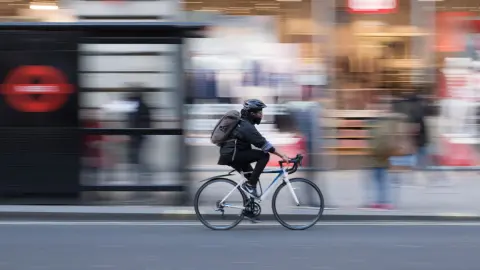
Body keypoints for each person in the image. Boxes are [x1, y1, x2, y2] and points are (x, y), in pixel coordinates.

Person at [217, 99, 289, 197]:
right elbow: (263, 144)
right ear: (252, 113)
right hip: (233, 155)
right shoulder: (246, 126)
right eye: (260, 112)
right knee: (264, 156)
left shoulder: (244, 123)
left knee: (252, 178)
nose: (261, 115)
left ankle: (248, 209)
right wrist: (282, 155)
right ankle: (250, 186)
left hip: (232, 154)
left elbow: (260, 141)